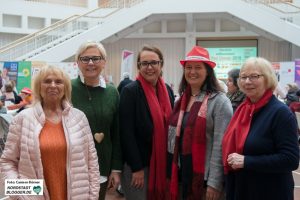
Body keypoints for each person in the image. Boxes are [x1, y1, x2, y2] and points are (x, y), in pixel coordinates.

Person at [0, 65, 100, 199]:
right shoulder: (22, 119)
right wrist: (21, 194)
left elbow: (92, 163)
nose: (53, 85)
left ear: (65, 88)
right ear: (38, 87)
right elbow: (7, 161)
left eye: (58, 82)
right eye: (47, 81)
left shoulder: (79, 118)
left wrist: (93, 197)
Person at [222, 57, 299, 200]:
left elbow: (290, 159)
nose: (247, 81)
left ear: (268, 79)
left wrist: (247, 161)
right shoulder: (243, 110)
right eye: (243, 77)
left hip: (269, 191)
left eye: (254, 76)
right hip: (242, 188)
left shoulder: (281, 113)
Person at [167, 46, 232, 200]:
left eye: (198, 67)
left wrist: (215, 183)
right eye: (188, 67)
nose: (192, 72)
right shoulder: (180, 100)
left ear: (208, 71)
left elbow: (220, 145)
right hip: (182, 176)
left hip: (204, 180)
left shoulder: (220, 102)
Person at [119, 45, 174, 200]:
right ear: (139, 66)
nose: (149, 67)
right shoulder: (130, 91)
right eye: (144, 63)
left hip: (162, 164)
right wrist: (136, 168)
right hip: (138, 166)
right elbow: (126, 133)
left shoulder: (168, 91)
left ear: (161, 64)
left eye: (154, 63)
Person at [72, 41, 122, 200]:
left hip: (102, 166)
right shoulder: (66, 88)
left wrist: (115, 168)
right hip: (72, 166)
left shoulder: (112, 93)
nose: (91, 63)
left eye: (95, 58)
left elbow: (116, 133)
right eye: (85, 59)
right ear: (77, 62)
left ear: (104, 62)